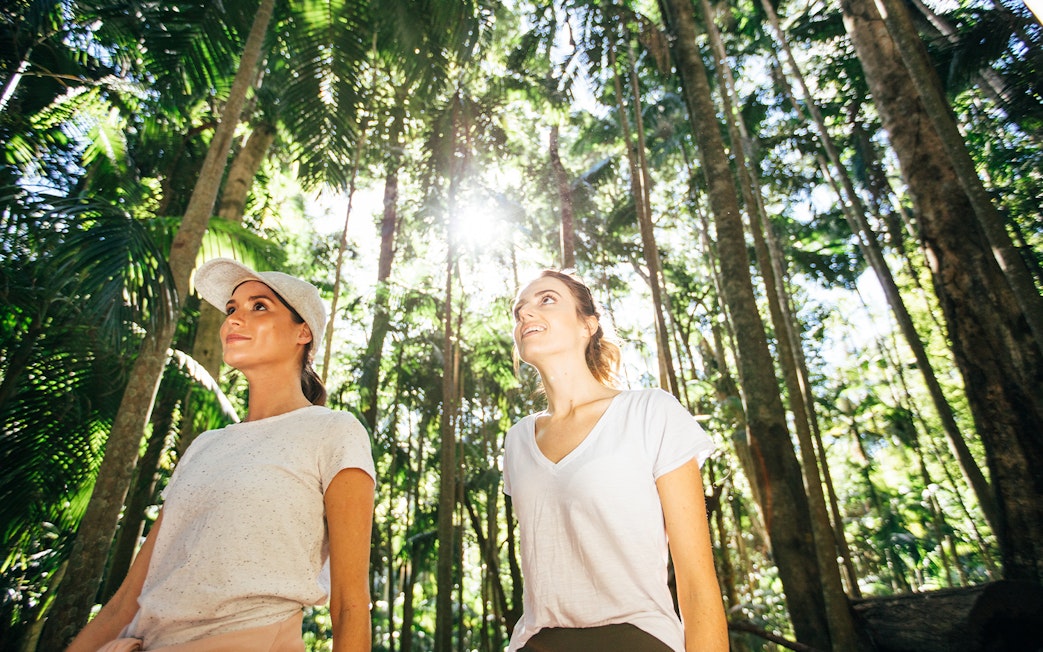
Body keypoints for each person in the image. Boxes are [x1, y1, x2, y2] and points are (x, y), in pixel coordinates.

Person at [67, 258, 375, 652]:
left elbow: (350, 604)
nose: (233, 319)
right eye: (232, 309)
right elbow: (126, 601)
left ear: (303, 333)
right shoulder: (204, 446)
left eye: (258, 306)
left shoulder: (334, 430)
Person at [503, 270, 729, 652]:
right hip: (535, 641)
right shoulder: (517, 441)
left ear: (587, 325)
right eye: (519, 310)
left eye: (545, 300)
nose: (525, 314)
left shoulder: (649, 412)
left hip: (636, 638)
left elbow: (696, 580)